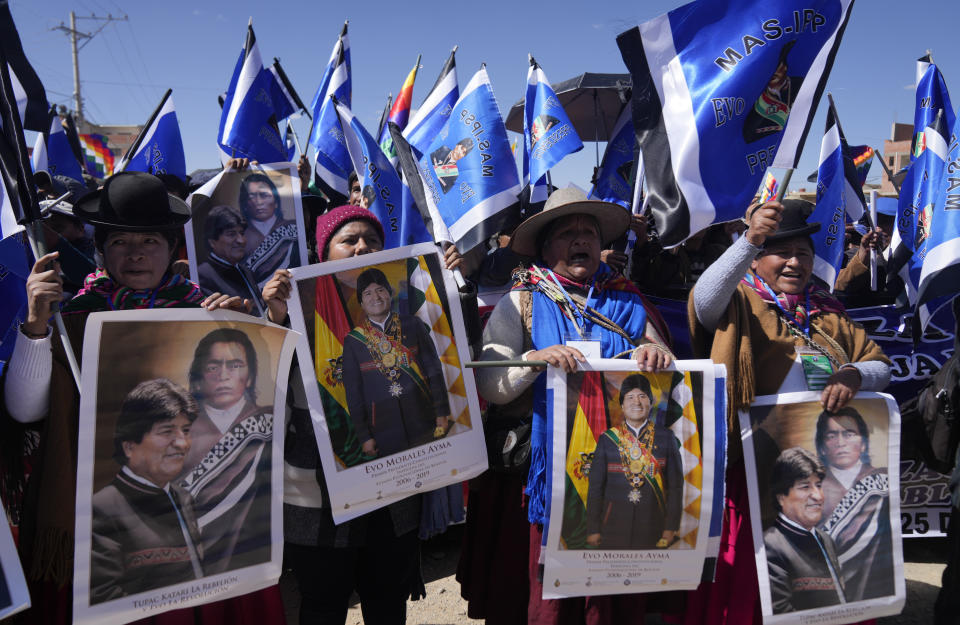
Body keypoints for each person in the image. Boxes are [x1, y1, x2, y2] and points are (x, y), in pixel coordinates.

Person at [2, 171, 283, 622]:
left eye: (149, 241)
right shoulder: (72, 317)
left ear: (172, 248)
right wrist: (35, 327)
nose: (134, 254)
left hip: (200, 517)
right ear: (101, 249)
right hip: (100, 527)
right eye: (119, 242)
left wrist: (253, 330)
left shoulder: (205, 314)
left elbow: (256, 407)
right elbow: (25, 411)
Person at [461, 187, 674, 624]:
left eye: (589, 233)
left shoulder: (629, 301)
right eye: (567, 233)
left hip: (620, 473)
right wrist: (533, 361)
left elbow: (666, 363)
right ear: (544, 248)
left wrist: (656, 357)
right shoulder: (519, 302)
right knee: (546, 601)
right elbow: (492, 384)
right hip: (543, 480)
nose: (581, 240)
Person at [682, 198, 891, 624]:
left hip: (818, 473)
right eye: (783, 253)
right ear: (758, 261)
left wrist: (853, 373)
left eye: (804, 254)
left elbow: (880, 366)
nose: (796, 262)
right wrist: (751, 239)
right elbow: (703, 299)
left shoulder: (827, 312)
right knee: (755, 581)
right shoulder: (738, 304)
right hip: (753, 472)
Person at [260, 204, 425, 624]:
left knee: (387, 599)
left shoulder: (406, 303)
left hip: (394, 481)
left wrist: (449, 285)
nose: (360, 248)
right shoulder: (294, 305)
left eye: (371, 240)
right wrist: (275, 317)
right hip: (316, 490)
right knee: (323, 603)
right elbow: (264, 385)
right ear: (322, 253)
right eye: (348, 240)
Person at [90, 379, 203, 604]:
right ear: (129, 445)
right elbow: (103, 597)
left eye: (186, 430)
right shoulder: (102, 508)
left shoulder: (183, 498)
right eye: (167, 431)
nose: (182, 443)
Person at [179, 328, 272, 574]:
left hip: (255, 559)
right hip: (192, 566)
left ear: (250, 376)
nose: (223, 375)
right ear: (199, 375)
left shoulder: (270, 422)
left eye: (235, 365)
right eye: (213, 367)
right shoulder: (177, 434)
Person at [341, 268, 452, 459]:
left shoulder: (413, 325)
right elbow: (353, 394)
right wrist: (364, 436)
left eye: (380, 290)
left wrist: (442, 412)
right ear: (361, 302)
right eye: (367, 293)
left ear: (389, 293)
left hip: (423, 418)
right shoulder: (353, 341)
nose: (375, 297)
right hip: (382, 429)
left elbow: (434, 371)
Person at [585, 374, 682, 550]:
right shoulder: (607, 439)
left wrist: (670, 527)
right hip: (613, 526)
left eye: (642, 396)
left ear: (651, 403)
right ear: (622, 405)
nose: (636, 402)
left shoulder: (666, 437)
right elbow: (595, 487)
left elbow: (676, 487)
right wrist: (593, 528)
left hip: (654, 526)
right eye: (630, 397)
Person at [814, 407, 893, 601]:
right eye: (831, 436)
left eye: (849, 434)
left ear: (863, 444)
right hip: (823, 592)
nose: (841, 443)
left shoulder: (883, 481)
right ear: (822, 447)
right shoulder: (810, 489)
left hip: (872, 589)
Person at [764, 447, 846, 614]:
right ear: (781, 497)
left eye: (818, 485)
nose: (818, 496)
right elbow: (780, 611)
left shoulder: (825, 539)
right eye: (805, 487)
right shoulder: (770, 544)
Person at [197, 204, 265, 314]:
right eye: (231, 234)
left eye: (242, 233)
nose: (241, 240)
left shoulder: (246, 271)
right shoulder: (202, 276)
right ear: (212, 242)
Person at [239, 172, 300, 287]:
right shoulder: (240, 238)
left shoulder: (293, 227)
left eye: (264, 195)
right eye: (252, 197)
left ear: (276, 201)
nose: (259, 202)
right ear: (245, 204)